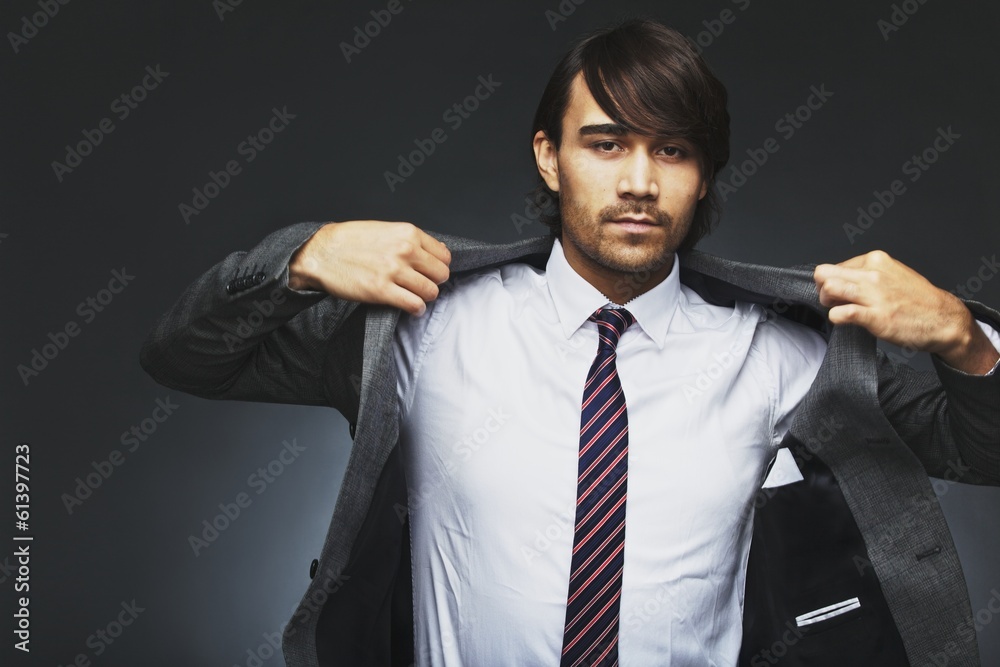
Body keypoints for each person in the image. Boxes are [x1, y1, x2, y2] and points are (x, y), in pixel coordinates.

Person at [140, 17, 1000, 667]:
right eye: (606, 143)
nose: (638, 181)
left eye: (672, 151)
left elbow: (979, 448)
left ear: (703, 179)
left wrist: (968, 341)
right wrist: (299, 258)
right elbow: (186, 356)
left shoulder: (782, 354)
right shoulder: (420, 329)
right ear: (550, 157)